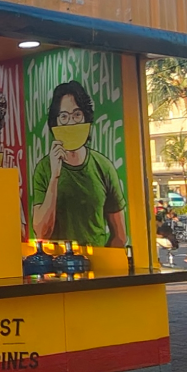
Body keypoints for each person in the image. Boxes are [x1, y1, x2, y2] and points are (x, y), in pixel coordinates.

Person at [30, 81, 127, 249]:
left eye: (77, 115)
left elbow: (120, 236)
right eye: (64, 117)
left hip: (96, 266)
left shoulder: (103, 166)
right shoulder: (44, 169)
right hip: (56, 266)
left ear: (86, 118)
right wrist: (55, 176)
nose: (71, 123)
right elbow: (41, 233)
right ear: (56, 123)